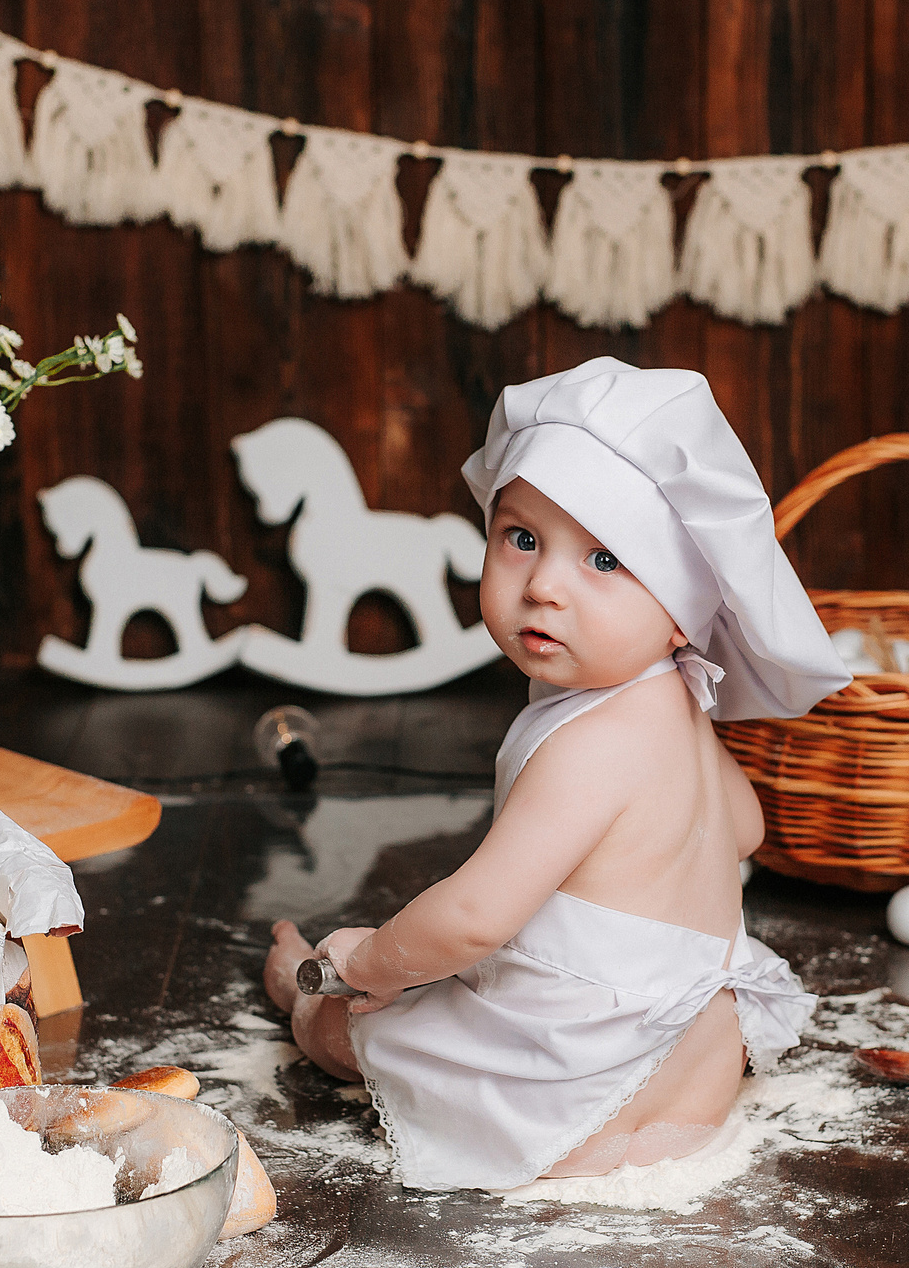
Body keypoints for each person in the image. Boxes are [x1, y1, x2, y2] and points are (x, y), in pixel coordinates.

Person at [263, 357, 851, 1192]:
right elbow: (745, 826)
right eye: (523, 538)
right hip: (695, 1068)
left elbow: (472, 918)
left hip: (576, 1091)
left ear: (683, 610)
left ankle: (301, 982)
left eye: (605, 560)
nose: (543, 585)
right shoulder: (677, 697)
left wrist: (374, 962)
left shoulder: (590, 742)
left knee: (348, 1021)